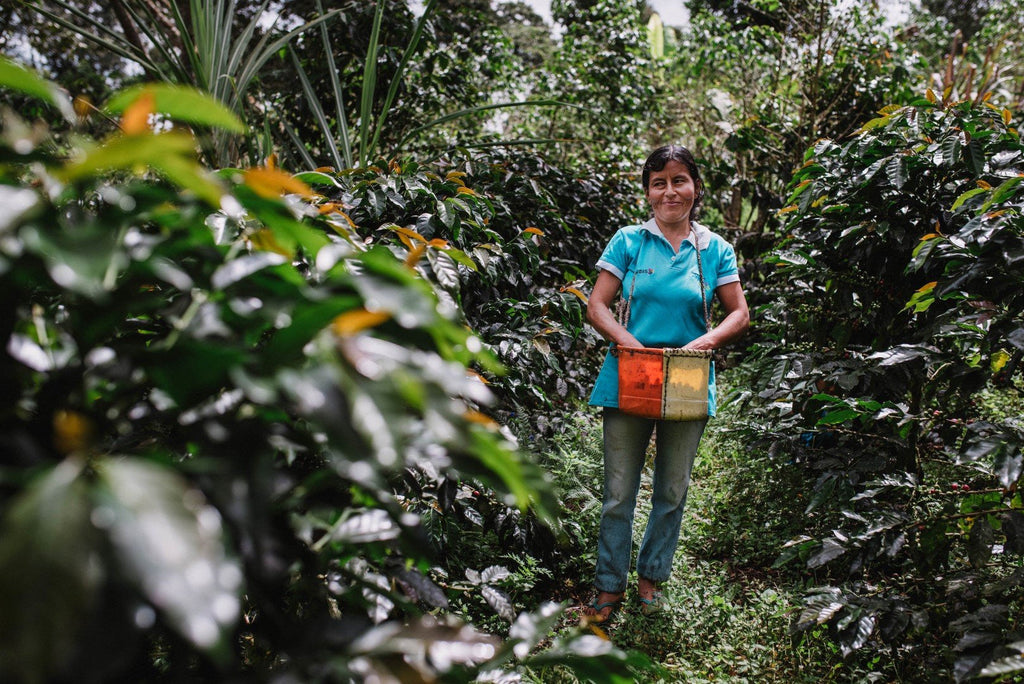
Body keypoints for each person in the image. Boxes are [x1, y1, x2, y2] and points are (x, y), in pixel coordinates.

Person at [583, 145, 750, 621]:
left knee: (672, 489)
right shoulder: (628, 241)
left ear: (695, 188)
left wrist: (702, 344)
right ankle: (609, 585)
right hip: (629, 375)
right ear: (648, 192)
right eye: (659, 182)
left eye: (679, 180)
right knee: (618, 492)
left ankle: (651, 578)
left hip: (688, 379)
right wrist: (630, 344)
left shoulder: (714, 248)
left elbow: (739, 312)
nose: (669, 191)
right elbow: (597, 306)